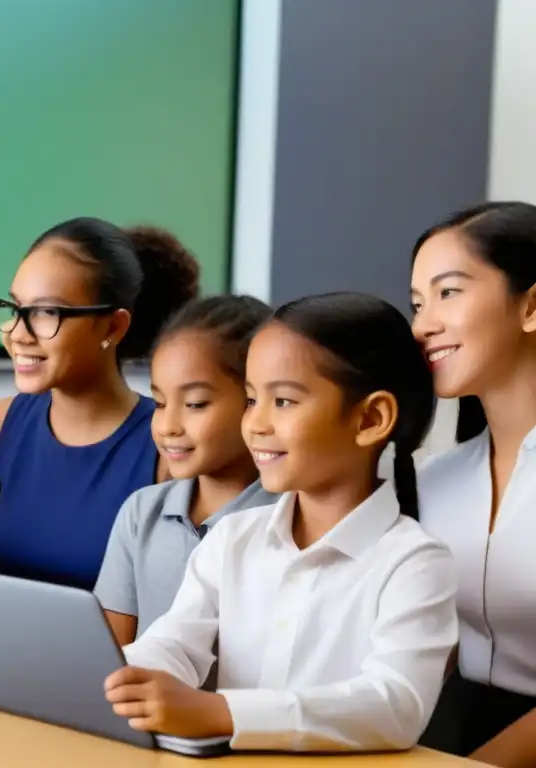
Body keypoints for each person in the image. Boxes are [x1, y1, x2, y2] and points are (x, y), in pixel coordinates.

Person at [103, 292, 458, 752]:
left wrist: (221, 713)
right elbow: (175, 641)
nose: (256, 423)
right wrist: (127, 680)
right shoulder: (233, 538)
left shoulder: (415, 562)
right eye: (252, 399)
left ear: (371, 418)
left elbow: (394, 705)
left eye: (284, 401)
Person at [0, 217, 200, 591]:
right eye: (14, 307)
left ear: (113, 328)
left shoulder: (168, 447)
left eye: (47, 313)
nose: (18, 334)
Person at [411, 201, 536, 766]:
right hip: (452, 738)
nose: (421, 324)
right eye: (417, 303)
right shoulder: (434, 479)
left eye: (448, 293)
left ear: (531, 306)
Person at [94, 295, 278, 646]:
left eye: (195, 404)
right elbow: (109, 655)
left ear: (255, 400)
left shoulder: (289, 518)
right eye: (160, 403)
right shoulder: (140, 512)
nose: (167, 426)